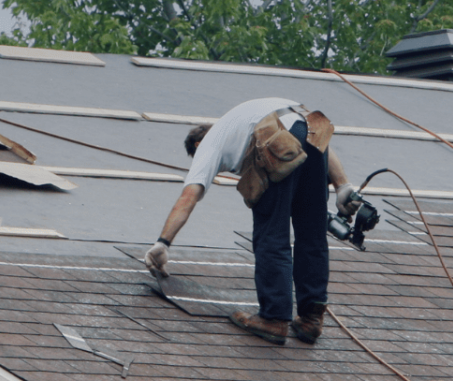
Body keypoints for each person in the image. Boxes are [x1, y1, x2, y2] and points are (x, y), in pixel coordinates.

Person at [143, 97, 361, 345]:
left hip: (276, 139)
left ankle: (274, 319)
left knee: (271, 233)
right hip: (309, 127)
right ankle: (311, 319)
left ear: (197, 143)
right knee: (311, 231)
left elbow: (188, 196)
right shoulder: (239, 120)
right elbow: (311, 137)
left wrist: (163, 243)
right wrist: (343, 185)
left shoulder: (208, 144)